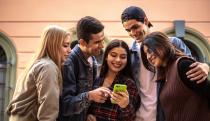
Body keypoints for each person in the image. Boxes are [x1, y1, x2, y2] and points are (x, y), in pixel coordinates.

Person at [121, 6, 210, 121]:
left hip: (165, 114)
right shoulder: (129, 53)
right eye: (128, 30)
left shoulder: (172, 43)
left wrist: (205, 66)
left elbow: (192, 69)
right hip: (139, 116)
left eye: (135, 27)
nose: (133, 33)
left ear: (146, 21)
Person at [6, 25, 72, 121]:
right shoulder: (48, 68)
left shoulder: (37, 63)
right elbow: (48, 111)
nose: (70, 50)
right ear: (53, 45)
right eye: (65, 46)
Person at [140, 31, 210, 121]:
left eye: (150, 51)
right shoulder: (164, 74)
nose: (148, 57)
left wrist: (207, 66)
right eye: (146, 54)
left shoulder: (182, 65)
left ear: (162, 45)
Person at [59, 16, 110, 121]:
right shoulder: (70, 63)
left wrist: (89, 113)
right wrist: (90, 96)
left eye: (102, 40)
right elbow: (65, 105)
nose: (102, 45)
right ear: (82, 42)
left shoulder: (93, 60)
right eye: (97, 42)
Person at [87, 39, 140, 121]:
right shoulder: (96, 78)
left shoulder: (129, 84)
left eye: (123, 57)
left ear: (127, 60)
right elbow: (88, 105)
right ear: (106, 57)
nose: (118, 60)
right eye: (113, 55)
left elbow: (130, 118)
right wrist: (89, 115)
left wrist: (125, 105)